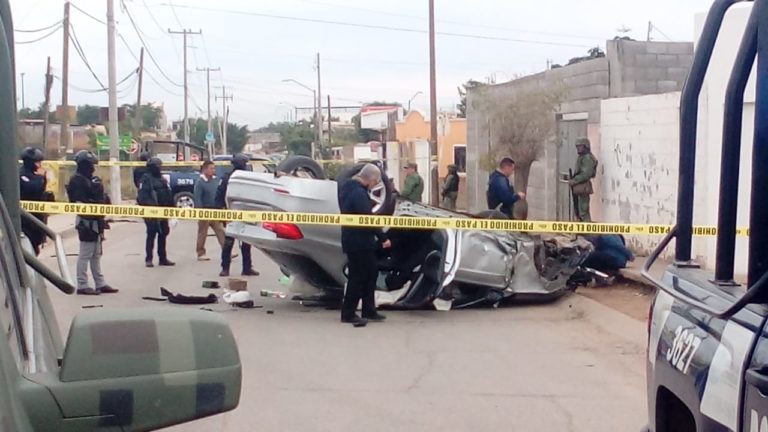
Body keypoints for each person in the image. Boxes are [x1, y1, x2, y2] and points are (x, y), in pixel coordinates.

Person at [338, 163, 390, 326]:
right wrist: (383, 237)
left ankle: (369, 309)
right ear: (371, 179)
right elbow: (367, 218)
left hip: (356, 239)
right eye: (375, 182)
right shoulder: (358, 193)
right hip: (359, 240)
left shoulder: (347, 188)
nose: (374, 185)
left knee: (370, 273)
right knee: (358, 277)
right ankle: (348, 313)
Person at [66, 150, 117, 295]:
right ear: (84, 165)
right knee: (85, 254)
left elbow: (101, 197)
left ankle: (100, 283)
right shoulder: (77, 180)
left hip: (97, 220)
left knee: (96, 254)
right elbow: (80, 201)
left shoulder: (91, 179)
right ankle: (82, 285)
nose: (93, 168)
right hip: (86, 221)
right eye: (91, 165)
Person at [217, 153, 259, 277]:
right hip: (232, 212)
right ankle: (225, 268)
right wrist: (220, 211)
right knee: (229, 242)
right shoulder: (228, 178)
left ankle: (247, 268)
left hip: (246, 213)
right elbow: (220, 195)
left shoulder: (248, 178)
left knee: (246, 242)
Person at [137, 157, 175, 268]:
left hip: (163, 211)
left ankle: (162, 258)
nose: (159, 168)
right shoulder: (146, 179)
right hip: (151, 212)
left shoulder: (162, 179)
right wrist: (151, 208)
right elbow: (142, 197)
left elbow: (168, 193)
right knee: (151, 234)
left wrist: (172, 209)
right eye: (157, 166)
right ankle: (149, 259)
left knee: (163, 233)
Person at [19, 147, 50, 255]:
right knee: (28, 252)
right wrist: (41, 178)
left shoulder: (35, 176)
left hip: (36, 220)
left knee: (35, 249)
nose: (40, 165)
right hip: (26, 222)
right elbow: (31, 188)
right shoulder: (22, 175)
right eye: (38, 162)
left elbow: (40, 192)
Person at [194, 160, 226, 261]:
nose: (213, 170)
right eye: (211, 168)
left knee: (220, 231)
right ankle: (201, 253)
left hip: (215, 210)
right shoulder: (200, 182)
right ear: (205, 169)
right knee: (202, 232)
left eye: (214, 168)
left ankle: (226, 251)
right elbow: (197, 198)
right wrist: (199, 211)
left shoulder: (216, 180)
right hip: (205, 210)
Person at [567, 137, 598, 222]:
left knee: (583, 211)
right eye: (577, 146)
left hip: (583, 187)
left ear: (585, 146)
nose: (578, 148)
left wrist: (574, 180)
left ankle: (588, 232)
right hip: (579, 187)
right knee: (579, 211)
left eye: (580, 146)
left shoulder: (587, 158)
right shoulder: (582, 157)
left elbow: (586, 174)